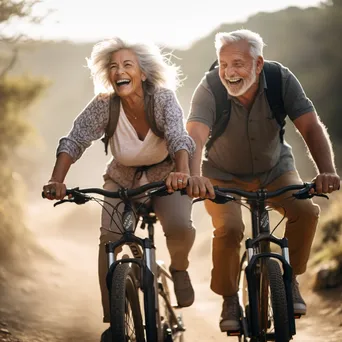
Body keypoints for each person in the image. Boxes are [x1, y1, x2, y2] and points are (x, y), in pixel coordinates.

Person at [186, 29, 340, 332]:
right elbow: (194, 136)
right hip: (220, 175)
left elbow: (310, 127)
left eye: (238, 64)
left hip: (274, 169)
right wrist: (194, 177)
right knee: (229, 229)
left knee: (307, 212)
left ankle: (289, 279)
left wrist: (327, 170)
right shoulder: (210, 87)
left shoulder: (280, 79)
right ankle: (230, 296)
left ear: (258, 64)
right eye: (224, 64)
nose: (229, 72)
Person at [42, 37, 196, 340]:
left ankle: (179, 269)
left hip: (166, 176)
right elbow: (75, 139)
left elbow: (179, 137)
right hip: (122, 178)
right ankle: (114, 320)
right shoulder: (105, 104)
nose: (118, 71)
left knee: (179, 225)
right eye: (112, 66)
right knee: (110, 237)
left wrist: (182, 172)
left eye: (127, 65)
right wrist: (56, 180)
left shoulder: (162, 98)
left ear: (143, 73)